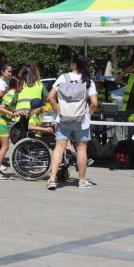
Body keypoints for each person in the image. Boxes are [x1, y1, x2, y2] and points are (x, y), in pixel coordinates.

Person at [46, 54, 99, 190]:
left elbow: (50, 97)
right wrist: (88, 114)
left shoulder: (63, 78)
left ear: (73, 64)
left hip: (64, 118)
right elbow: (94, 103)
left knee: (59, 148)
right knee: (81, 148)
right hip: (81, 120)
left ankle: (52, 179)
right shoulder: (88, 81)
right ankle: (81, 181)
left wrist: (58, 111)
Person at [0, 74, 21, 179]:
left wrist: (17, 111)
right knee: (5, 147)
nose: (23, 87)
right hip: (2, 123)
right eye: (22, 85)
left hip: (1, 122)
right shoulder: (11, 94)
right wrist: (13, 114)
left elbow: (7, 108)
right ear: (17, 85)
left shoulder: (12, 93)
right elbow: (1, 108)